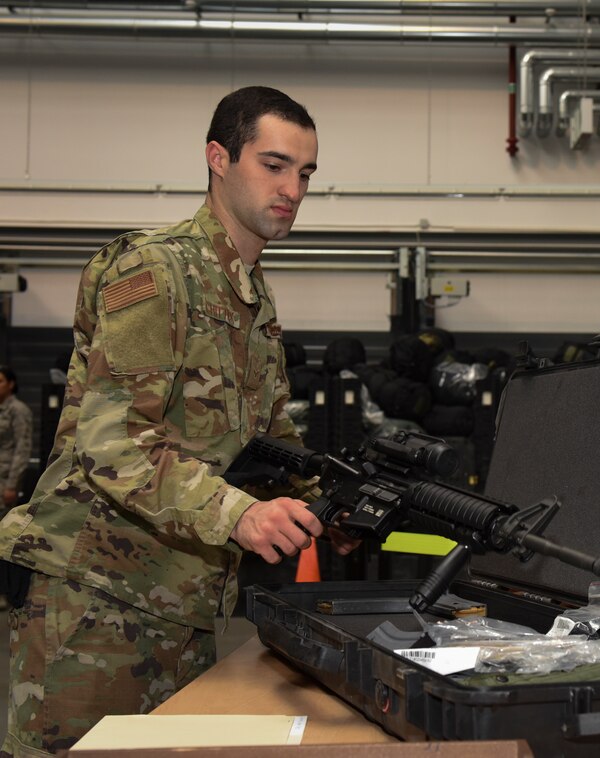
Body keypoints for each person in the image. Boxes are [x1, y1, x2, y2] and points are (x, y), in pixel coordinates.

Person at [0, 86, 356, 756]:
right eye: (274, 165)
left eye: (305, 173)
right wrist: (241, 517)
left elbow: (269, 444)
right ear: (218, 158)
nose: (293, 189)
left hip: (181, 603)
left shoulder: (253, 299)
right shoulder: (154, 271)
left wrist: (326, 506)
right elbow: (114, 445)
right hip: (93, 600)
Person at [0, 366, 32, 512]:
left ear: (11, 384)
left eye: (0, 381)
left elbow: (22, 449)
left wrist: (11, 486)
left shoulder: (18, 410)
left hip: (4, 478)